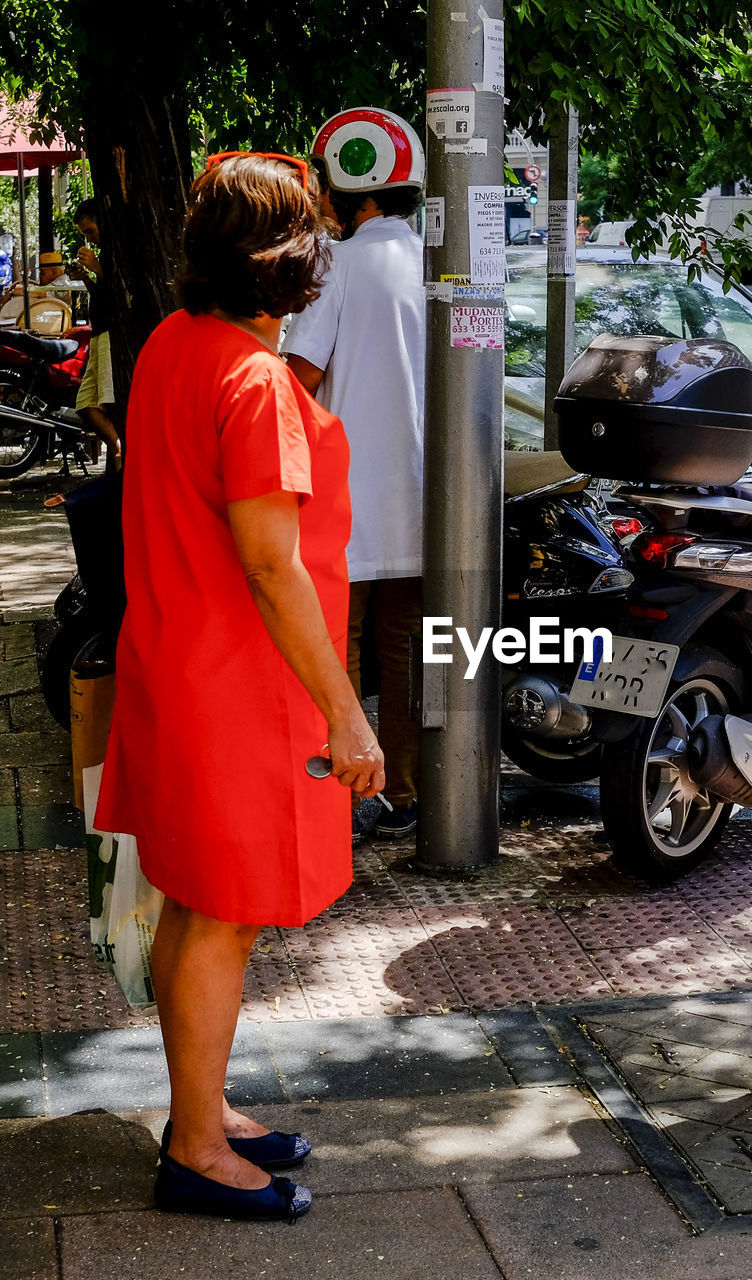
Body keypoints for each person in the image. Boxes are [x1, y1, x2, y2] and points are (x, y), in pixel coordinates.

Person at [96, 152, 385, 1221]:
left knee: (195, 904)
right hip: (241, 688)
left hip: (179, 667)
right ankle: (196, 1142)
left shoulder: (176, 344)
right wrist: (347, 711)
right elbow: (273, 565)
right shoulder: (256, 379)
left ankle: (202, 1111)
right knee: (222, 916)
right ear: (290, 255)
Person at [283, 107, 426, 840]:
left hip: (348, 501)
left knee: (332, 646)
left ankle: (334, 793)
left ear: (356, 190)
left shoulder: (336, 265)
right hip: (431, 500)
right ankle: (402, 792)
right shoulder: (439, 260)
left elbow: (297, 376)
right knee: (407, 651)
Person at [69, 199, 122, 471]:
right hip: (98, 333)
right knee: (86, 402)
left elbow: (121, 293)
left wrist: (98, 268)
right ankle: (117, 449)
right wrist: (87, 278)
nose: (89, 239)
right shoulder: (105, 255)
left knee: (108, 399)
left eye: (90, 231)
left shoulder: (118, 253)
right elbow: (102, 293)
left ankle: (119, 454)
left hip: (112, 334)